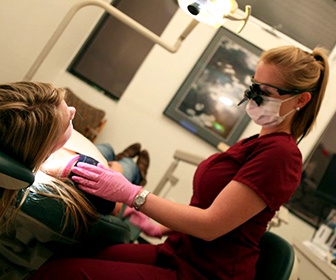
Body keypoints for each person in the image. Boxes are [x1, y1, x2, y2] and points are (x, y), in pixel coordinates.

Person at [30, 45, 330, 280]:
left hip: (204, 274)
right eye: (253, 86)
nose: (252, 97)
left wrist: (132, 194)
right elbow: (216, 209)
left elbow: (212, 225)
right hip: (178, 253)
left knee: (61, 275)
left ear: (301, 100)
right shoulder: (257, 143)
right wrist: (162, 227)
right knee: (64, 257)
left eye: (264, 92)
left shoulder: (281, 156)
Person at [0, 82, 150, 242]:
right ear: (43, 150)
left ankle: (116, 156)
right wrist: (117, 172)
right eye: (67, 122)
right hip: (107, 194)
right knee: (126, 165)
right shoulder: (67, 188)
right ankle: (136, 170)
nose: (73, 110)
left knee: (106, 148)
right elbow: (115, 207)